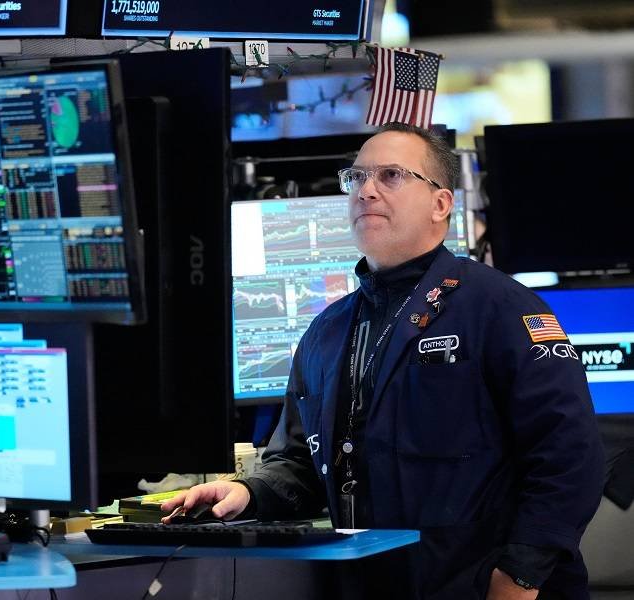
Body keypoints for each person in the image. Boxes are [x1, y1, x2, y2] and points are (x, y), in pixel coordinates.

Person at [161, 122, 605, 599]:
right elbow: (301, 465)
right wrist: (248, 492)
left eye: (391, 175)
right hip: (372, 585)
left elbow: (569, 455)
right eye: (356, 177)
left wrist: (520, 575)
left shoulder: (501, 308)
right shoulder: (326, 332)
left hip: (488, 588)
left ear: (441, 204)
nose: (366, 190)